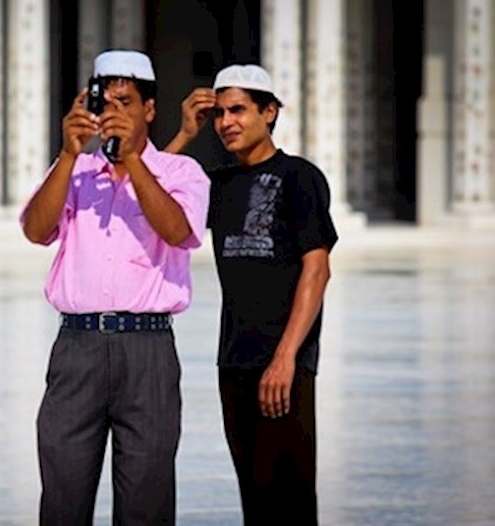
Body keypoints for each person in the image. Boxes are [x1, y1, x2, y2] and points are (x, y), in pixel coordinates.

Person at [20, 49, 210, 525]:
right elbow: (36, 229)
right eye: (106, 103)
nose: (115, 113)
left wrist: (133, 163)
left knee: (146, 499)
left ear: (149, 109)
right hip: (76, 347)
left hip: (147, 349)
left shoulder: (181, 173)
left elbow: (178, 230)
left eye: (126, 102)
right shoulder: (77, 173)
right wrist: (68, 154)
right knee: (63, 494)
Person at [165, 64, 338, 525]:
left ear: (270, 112)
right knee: (255, 498)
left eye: (238, 110)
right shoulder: (217, 185)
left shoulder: (299, 177)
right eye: (219, 113)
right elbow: (151, 200)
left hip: (286, 364)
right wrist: (183, 135)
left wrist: (285, 358)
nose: (226, 123)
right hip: (234, 363)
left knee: (292, 499)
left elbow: (316, 268)